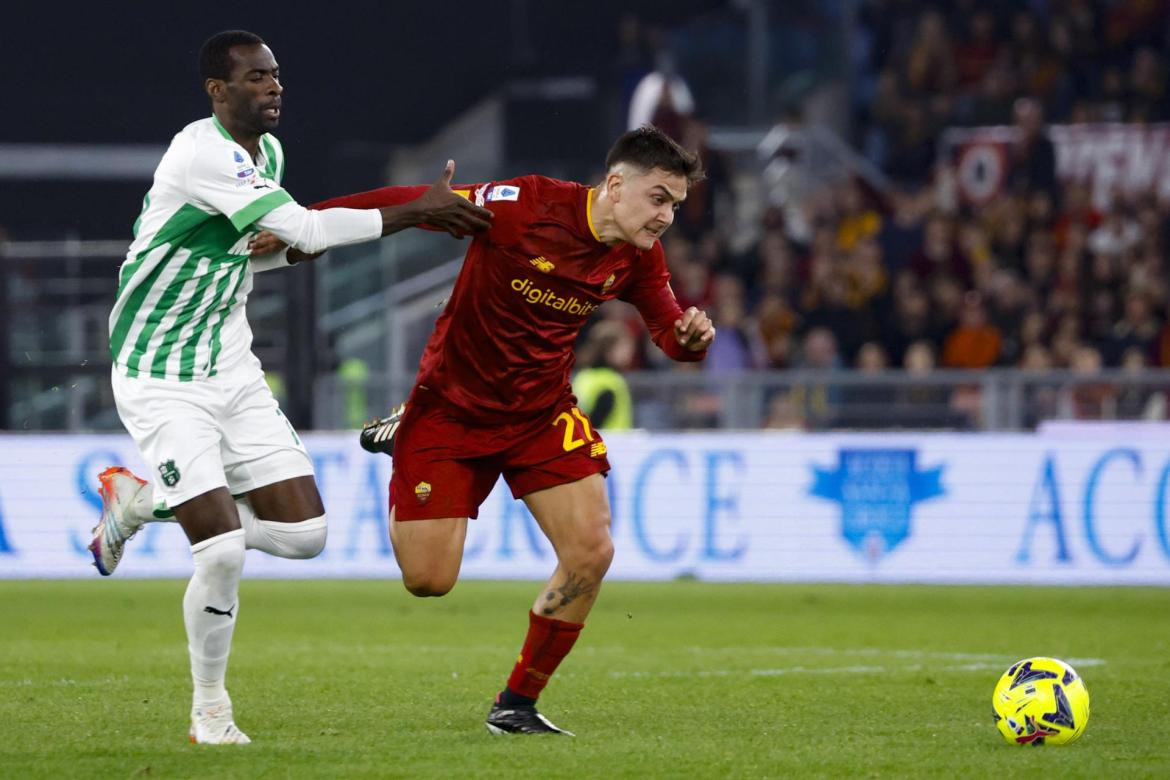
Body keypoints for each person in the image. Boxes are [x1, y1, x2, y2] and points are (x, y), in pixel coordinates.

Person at [87, 29, 492, 745]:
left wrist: (300, 248)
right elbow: (303, 225)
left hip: (230, 367)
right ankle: (210, 711)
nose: (274, 87)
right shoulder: (200, 151)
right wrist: (417, 214)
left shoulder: (266, 155)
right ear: (218, 91)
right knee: (219, 551)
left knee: (305, 536)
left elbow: (265, 252)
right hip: (159, 373)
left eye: (275, 75)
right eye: (255, 78)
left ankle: (143, 503)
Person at [309, 126, 714, 735]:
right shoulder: (525, 205)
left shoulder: (636, 256)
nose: (666, 217)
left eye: (675, 206)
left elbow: (666, 328)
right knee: (428, 580)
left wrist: (686, 342)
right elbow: (420, 202)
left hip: (538, 414)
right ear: (616, 183)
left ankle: (516, 705)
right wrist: (304, 224)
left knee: (591, 553)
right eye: (659, 198)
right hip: (452, 407)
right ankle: (407, 425)